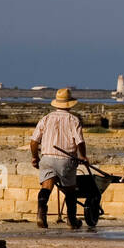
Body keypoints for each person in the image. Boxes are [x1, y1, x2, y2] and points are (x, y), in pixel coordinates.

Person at [29, 88, 90, 229]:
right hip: (65, 160)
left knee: (46, 187)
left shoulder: (46, 118)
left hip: (47, 158)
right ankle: (72, 220)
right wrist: (83, 156)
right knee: (70, 191)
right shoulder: (74, 120)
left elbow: (33, 142)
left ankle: (41, 214)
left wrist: (35, 157)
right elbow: (80, 142)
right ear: (69, 104)